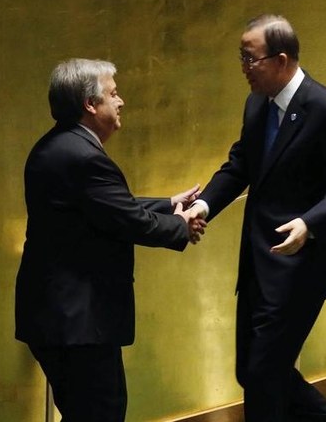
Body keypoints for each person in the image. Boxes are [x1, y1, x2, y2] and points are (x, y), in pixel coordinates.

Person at [188, 14, 326, 421]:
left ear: (281, 59)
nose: (243, 68)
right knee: (251, 370)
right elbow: (240, 165)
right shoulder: (257, 105)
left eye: (250, 58)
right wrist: (204, 206)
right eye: (241, 57)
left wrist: (310, 223)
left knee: (264, 374)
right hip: (256, 261)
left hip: (302, 264)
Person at [15, 58, 205, 421]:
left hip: (58, 318)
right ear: (90, 104)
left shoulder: (59, 146)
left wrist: (168, 204)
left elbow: (104, 205)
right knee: (102, 412)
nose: (121, 102)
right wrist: (181, 225)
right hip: (79, 325)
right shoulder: (84, 157)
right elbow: (128, 220)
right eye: (114, 94)